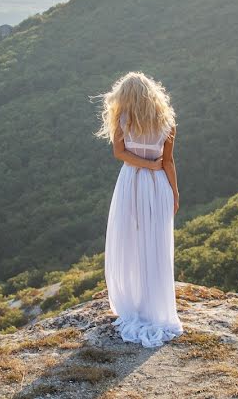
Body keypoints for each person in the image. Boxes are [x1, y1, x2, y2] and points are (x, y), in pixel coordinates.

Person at [91, 71, 184, 348]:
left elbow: (119, 154)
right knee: (154, 242)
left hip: (131, 181)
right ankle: (154, 303)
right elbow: (168, 162)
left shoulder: (123, 120)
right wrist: (175, 192)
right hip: (157, 185)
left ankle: (135, 300)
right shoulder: (167, 123)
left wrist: (144, 166)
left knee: (130, 240)